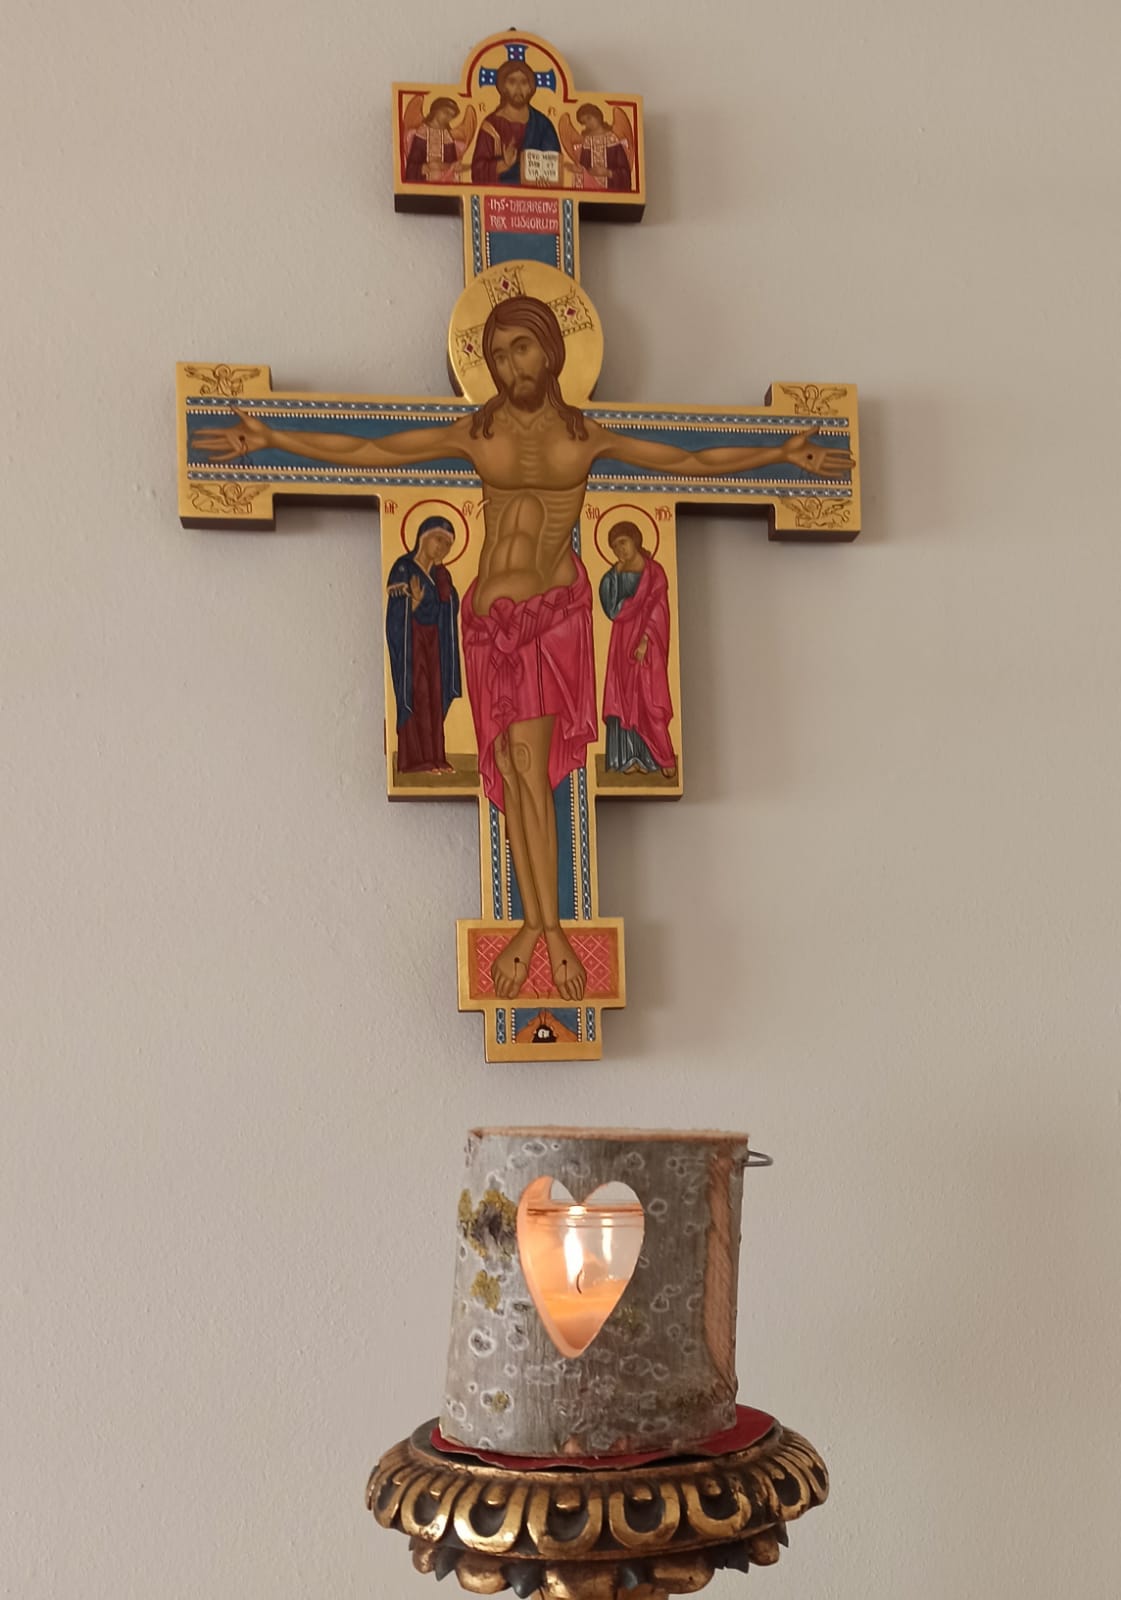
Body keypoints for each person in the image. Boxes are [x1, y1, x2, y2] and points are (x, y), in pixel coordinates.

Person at [194, 298, 853, 1001]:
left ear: (551, 350)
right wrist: (272, 436)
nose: (511, 367)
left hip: (548, 621)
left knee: (531, 775)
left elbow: (690, 459)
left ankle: (548, 931)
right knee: (510, 775)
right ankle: (538, 924)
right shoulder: (477, 433)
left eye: (522, 349)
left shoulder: (586, 438)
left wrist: (780, 454)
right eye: (499, 355)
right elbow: (374, 450)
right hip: (486, 628)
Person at [385, 517, 460, 774]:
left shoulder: (441, 575)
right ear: (423, 536)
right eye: (439, 540)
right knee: (418, 696)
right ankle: (415, 760)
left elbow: (448, 608)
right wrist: (413, 604)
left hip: (435, 644)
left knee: (434, 698)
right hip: (412, 643)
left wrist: (444, 587)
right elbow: (395, 616)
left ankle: (436, 756)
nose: (443, 548)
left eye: (448, 545)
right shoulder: (403, 568)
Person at [600, 522, 675, 777]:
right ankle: (626, 758)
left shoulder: (655, 573)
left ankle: (658, 758)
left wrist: (645, 640)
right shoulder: (614, 574)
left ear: (635, 540)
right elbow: (611, 609)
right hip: (621, 641)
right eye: (614, 547)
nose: (619, 550)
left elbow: (660, 609)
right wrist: (614, 574)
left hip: (647, 643)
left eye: (622, 542)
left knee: (647, 697)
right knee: (623, 696)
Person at [470, 61, 561, 186]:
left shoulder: (542, 124)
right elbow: (477, 172)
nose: (518, 89)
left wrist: (547, 180)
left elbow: (553, 163)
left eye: (524, 82)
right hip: (500, 194)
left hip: (535, 195)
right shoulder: (491, 126)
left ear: (530, 88)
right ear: (503, 87)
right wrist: (504, 164)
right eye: (512, 82)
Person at [404, 97, 464, 185]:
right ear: (436, 110)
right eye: (446, 113)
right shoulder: (422, 132)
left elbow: (452, 163)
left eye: (451, 116)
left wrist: (453, 167)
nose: (448, 118)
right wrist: (426, 167)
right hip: (424, 182)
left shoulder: (447, 136)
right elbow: (412, 166)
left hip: (444, 182)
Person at [573, 104, 631, 192]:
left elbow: (625, 173)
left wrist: (608, 173)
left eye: (589, 118)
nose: (588, 124)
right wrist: (579, 170)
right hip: (590, 188)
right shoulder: (587, 141)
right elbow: (584, 167)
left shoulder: (612, 139)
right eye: (584, 122)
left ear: (597, 116)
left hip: (611, 188)